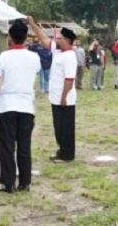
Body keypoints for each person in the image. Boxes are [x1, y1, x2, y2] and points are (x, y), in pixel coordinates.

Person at [0, 20, 40, 193]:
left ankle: (8, 182)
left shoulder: (2, 58)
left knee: (7, 146)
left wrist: (1, 89)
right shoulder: (34, 57)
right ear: (26, 37)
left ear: (9, 37)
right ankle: (25, 182)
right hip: (26, 106)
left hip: (6, 106)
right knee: (24, 145)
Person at [29, 17, 78, 163]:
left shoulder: (69, 56)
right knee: (58, 127)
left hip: (65, 99)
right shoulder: (58, 52)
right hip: (56, 97)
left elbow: (69, 79)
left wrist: (64, 97)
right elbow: (44, 40)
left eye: (61, 38)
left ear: (68, 41)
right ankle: (61, 151)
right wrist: (33, 24)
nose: (58, 40)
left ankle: (68, 155)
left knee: (66, 128)